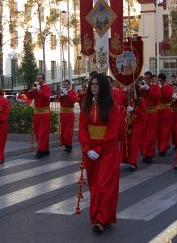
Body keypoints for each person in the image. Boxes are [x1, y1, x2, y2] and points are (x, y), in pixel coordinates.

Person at [78, 73, 121, 234]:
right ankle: (98, 215)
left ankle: (101, 219)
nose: (93, 86)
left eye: (97, 84)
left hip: (107, 150)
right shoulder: (86, 104)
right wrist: (87, 148)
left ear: (103, 86)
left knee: (104, 185)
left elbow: (112, 132)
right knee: (94, 185)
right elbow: (82, 128)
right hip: (91, 150)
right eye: (92, 84)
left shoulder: (112, 106)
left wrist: (99, 149)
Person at [26, 73, 53, 158]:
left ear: (43, 79)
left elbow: (46, 97)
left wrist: (39, 90)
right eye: (37, 78)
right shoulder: (35, 88)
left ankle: (40, 150)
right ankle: (45, 149)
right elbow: (29, 96)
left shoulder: (47, 88)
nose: (38, 80)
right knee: (38, 133)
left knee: (42, 132)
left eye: (40, 78)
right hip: (37, 113)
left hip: (45, 113)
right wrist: (32, 89)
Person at [139, 71, 160, 163]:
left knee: (151, 135)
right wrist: (140, 89)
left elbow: (157, 98)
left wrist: (149, 90)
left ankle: (150, 155)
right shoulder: (142, 87)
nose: (146, 80)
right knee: (143, 135)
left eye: (148, 78)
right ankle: (144, 153)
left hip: (152, 113)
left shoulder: (156, 87)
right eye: (145, 78)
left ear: (151, 79)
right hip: (143, 113)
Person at [59, 79, 78, 152]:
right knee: (63, 129)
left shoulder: (72, 92)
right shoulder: (62, 91)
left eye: (66, 84)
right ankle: (65, 144)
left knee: (69, 130)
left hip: (69, 113)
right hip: (62, 113)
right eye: (64, 84)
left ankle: (69, 145)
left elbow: (73, 101)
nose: (65, 86)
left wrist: (67, 95)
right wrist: (61, 95)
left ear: (69, 85)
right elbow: (58, 100)